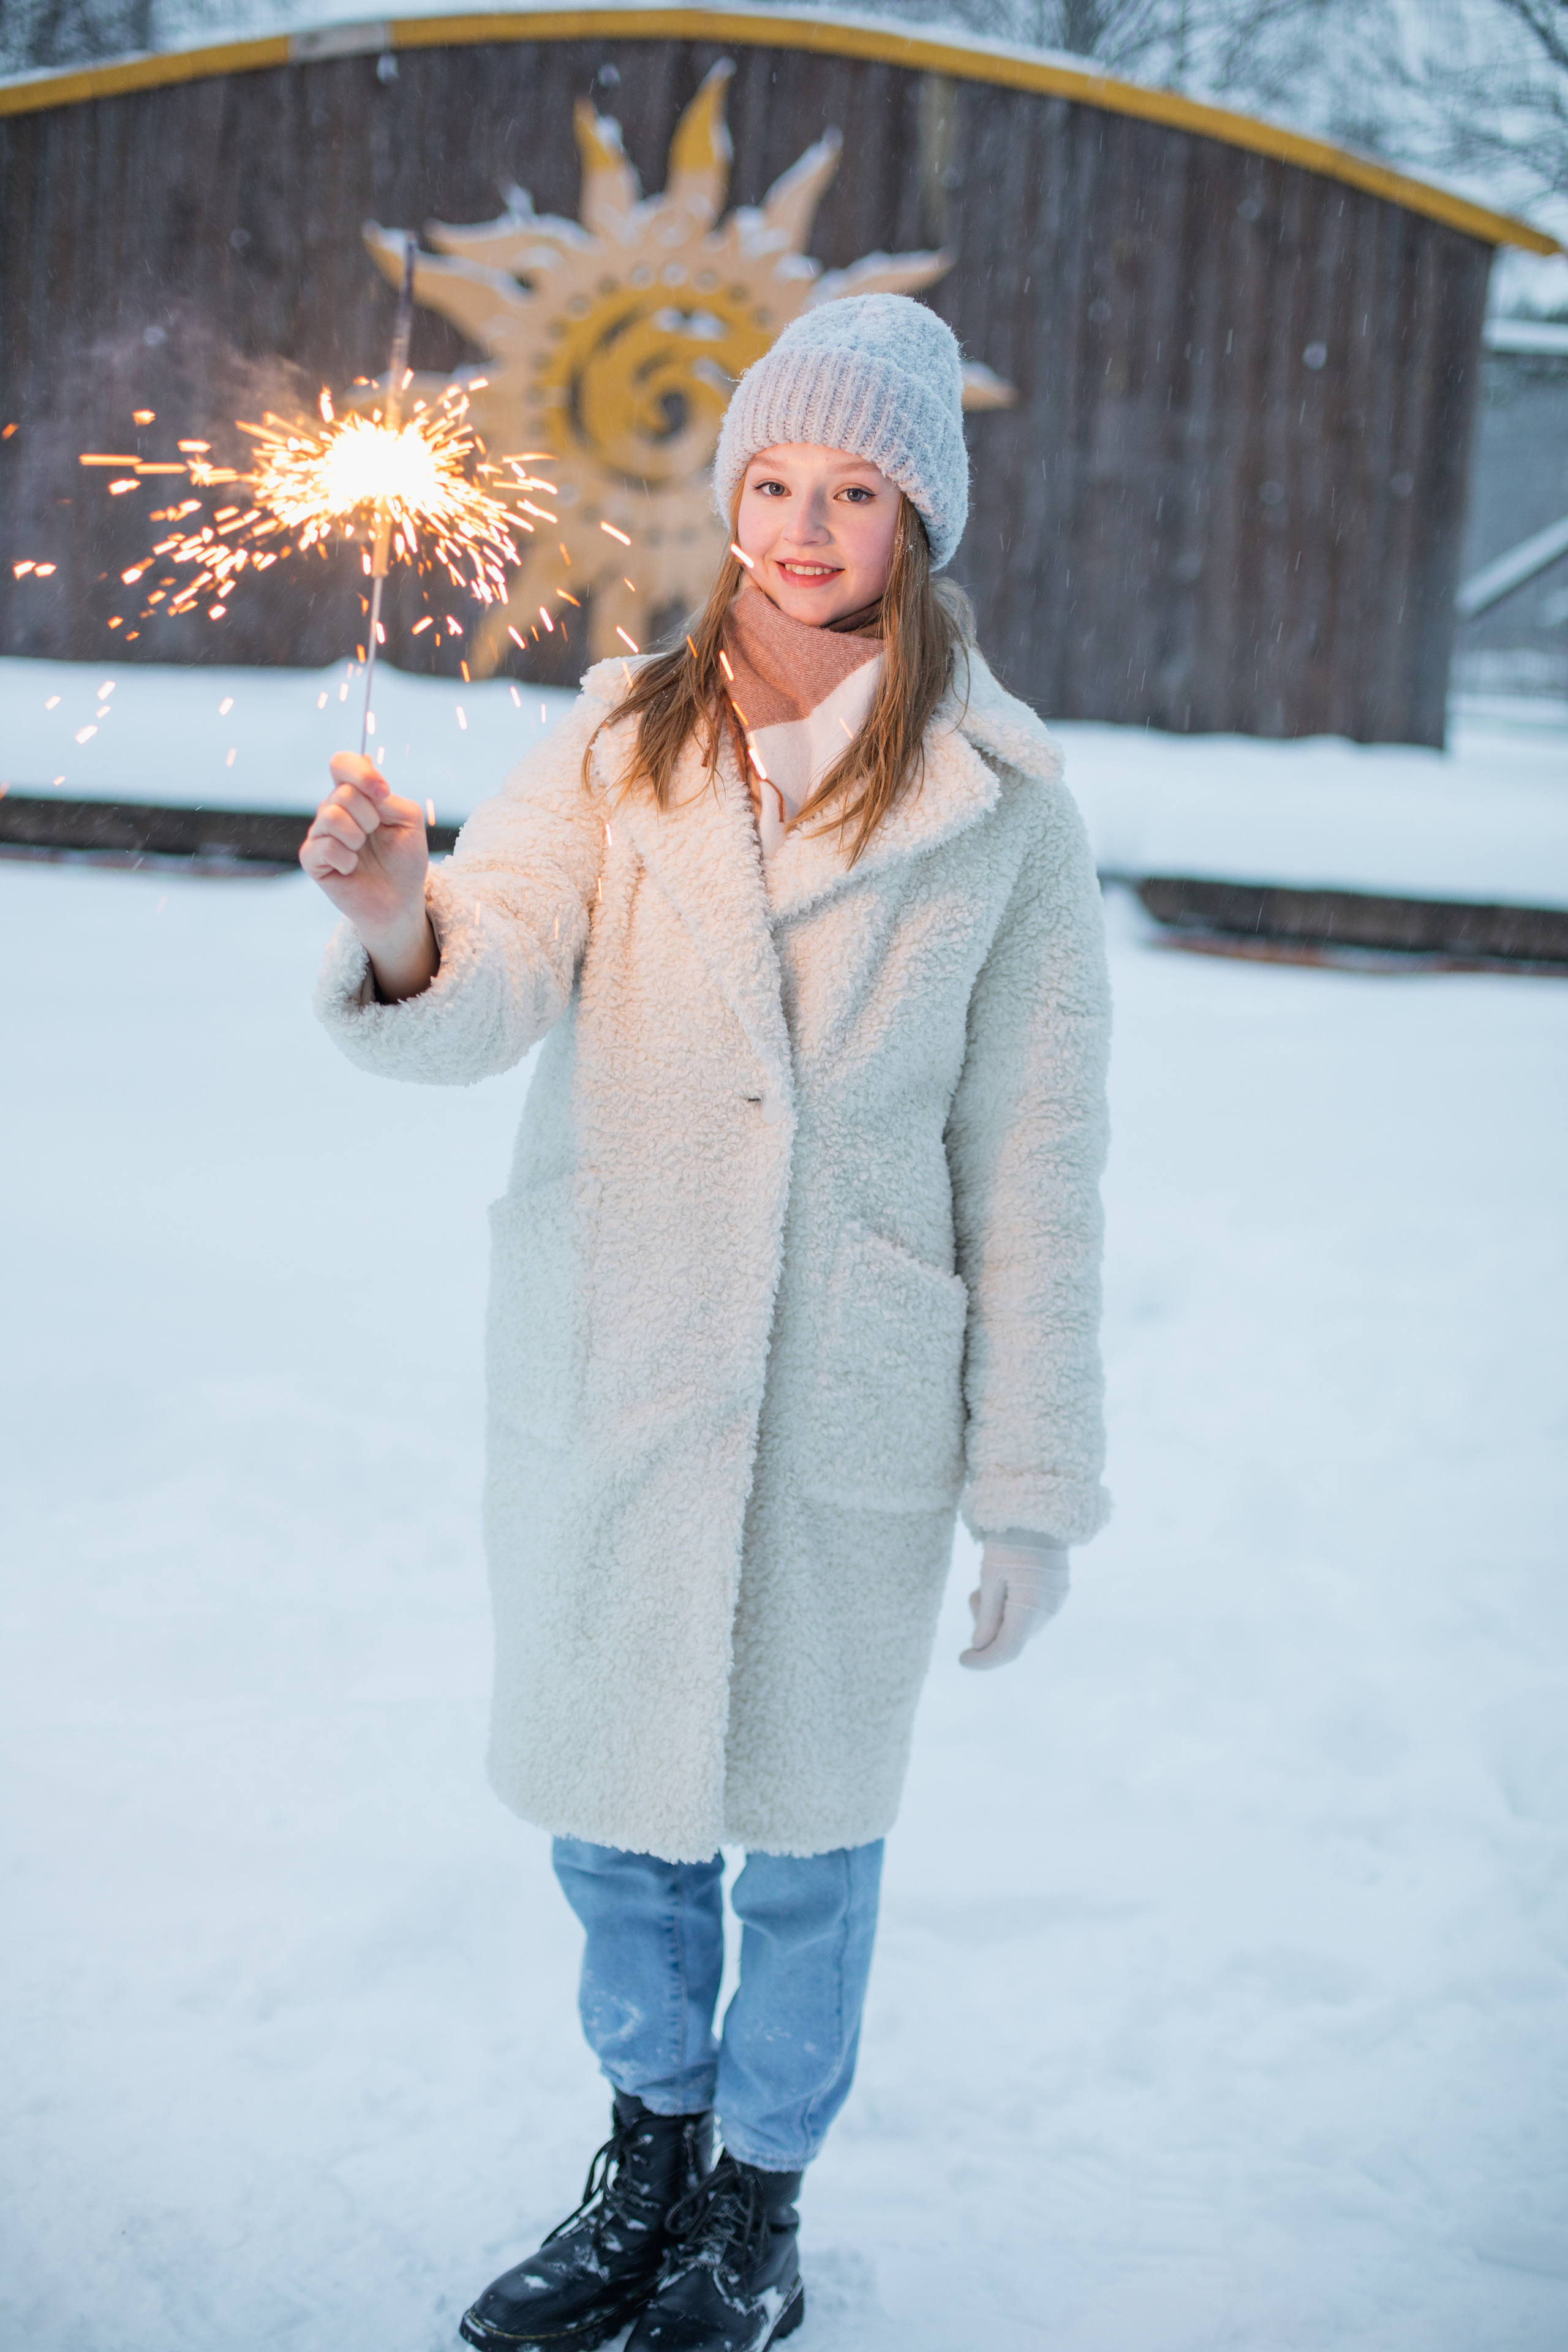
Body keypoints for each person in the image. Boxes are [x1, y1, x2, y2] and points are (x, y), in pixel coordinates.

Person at [302, 293, 1111, 2352]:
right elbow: (495, 976)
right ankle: (643, 2157)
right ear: (730, 497)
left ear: (916, 516)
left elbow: (1036, 1168)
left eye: (850, 488)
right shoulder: (612, 742)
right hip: (624, 1361)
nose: (802, 525)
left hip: (851, 1387)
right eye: (771, 481)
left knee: (810, 1850)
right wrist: (404, 917)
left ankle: (755, 2206)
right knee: (622, 1818)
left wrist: (1030, 1489)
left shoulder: (1005, 813)